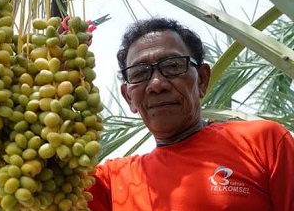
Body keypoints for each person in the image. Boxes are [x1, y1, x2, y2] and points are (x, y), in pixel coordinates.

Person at [87, 17, 294, 211]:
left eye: (173, 66)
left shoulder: (261, 143)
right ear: (129, 97)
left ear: (202, 80)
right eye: (140, 73)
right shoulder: (111, 183)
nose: (157, 84)